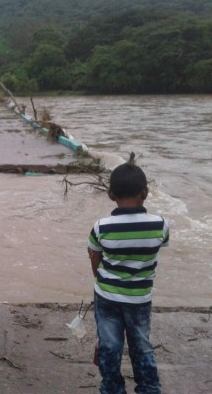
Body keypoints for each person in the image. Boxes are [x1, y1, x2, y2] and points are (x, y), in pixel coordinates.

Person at [88, 162, 170, 394]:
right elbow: (159, 245)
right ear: (145, 193)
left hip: (107, 296)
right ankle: (149, 387)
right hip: (139, 299)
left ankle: (112, 388)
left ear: (110, 194)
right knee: (141, 345)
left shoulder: (101, 227)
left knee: (110, 345)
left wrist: (99, 274)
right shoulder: (160, 224)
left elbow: (94, 255)